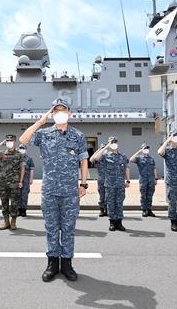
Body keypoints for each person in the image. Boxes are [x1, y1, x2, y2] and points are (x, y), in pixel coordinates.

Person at [19, 97, 88, 282]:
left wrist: (83, 184)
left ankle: (66, 263)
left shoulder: (78, 136)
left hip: (70, 191)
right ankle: (52, 263)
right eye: (56, 111)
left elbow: (83, 161)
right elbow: (23, 139)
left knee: (68, 228)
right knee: (51, 228)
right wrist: (41, 122)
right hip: (49, 189)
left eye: (63, 110)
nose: (59, 113)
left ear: (69, 113)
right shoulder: (44, 134)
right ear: (52, 113)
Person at [91, 136, 130, 231]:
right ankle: (112, 222)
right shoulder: (105, 156)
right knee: (111, 203)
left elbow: (126, 168)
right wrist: (106, 147)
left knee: (119, 203)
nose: (113, 143)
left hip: (120, 184)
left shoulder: (123, 156)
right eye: (111, 142)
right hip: (109, 184)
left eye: (115, 141)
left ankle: (119, 222)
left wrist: (127, 180)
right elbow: (95, 158)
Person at [0, 134, 25, 230]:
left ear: (14, 141)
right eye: (7, 140)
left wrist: (21, 181)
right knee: (4, 202)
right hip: (3, 182)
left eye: (11, 140)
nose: (9, 142)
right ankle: (6, 221)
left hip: (14, 183)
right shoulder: (1, 153)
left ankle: (13, 222)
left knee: (14, 203)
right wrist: (1, 144)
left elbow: (22, 168)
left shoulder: (19, 154)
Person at [130, 142, 158, 217]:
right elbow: (131, 159)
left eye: (147, 148)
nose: (146, 150)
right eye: (144, 148)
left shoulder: (151, 158)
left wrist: (156, 178)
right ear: (142, 149)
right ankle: (144, 210)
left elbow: (154, 168)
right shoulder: (139, 158)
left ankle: (149, 210)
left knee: (150, 195)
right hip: (143, 180)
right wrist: (139, 152)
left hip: (151, 179)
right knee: (143, 195)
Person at [89, 143, 107, 217]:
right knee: (102, 195)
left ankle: (108, 210)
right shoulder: (98, 159)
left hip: (110, 179)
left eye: (104, 148)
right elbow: (91, 159)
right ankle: (102, 210)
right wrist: (99, 150)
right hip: (101, 180)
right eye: (102, 148)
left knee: (109, 196)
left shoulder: (109, 157)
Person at [18, 143, 35, 217]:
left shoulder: (29, 158)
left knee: (24, 195)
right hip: (17, 179)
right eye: (20, 148)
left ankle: (24, 210)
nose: (22, 150)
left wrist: (31, 179)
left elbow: (31, 169)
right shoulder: (16, 158)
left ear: (25, 149)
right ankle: (18, 210)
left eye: (23, 148)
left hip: (26, 179)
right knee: (17, 195)